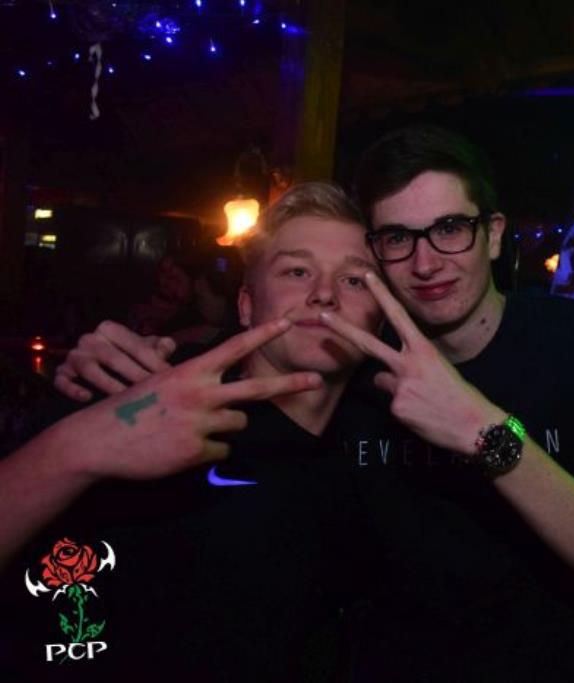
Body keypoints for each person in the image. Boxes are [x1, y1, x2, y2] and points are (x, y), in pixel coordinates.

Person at [52, 126, 574, 682]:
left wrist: (484, 431)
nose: (426, 261)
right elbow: (264, 339)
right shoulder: (355, 365)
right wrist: (118, 368)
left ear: (491, 235)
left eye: (450, 229)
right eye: (398, 238)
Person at [0, 181, 383, 682]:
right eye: (297, 271)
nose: (325, 294)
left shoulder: (377, 447)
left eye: (354, 280)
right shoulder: (143, 398)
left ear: (379, 321)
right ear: (246, 305)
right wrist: (78, 443)